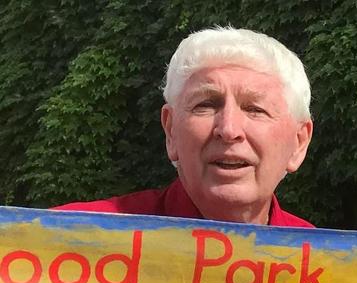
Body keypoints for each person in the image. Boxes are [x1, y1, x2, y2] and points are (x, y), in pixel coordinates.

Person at [54, 27, 313, 227]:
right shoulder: (65, 239)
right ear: (171, 131)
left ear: (299, 143)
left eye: (255, 109)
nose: (229, 129)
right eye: (206, 105)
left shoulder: (330, 271)